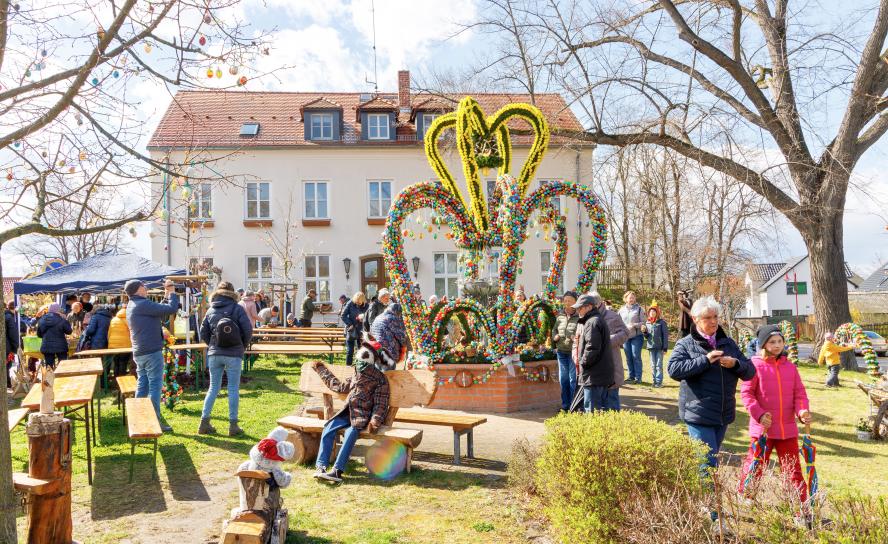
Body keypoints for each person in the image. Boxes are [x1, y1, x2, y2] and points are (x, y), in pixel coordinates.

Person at [667, 296, 755, 503]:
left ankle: (699, 498)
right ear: (696, 319)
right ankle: (711, 510)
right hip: (697, 413)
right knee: (707, 463)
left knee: (710, 459)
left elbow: (750, 371)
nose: (713, 321)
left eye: (716, 317)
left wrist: (735, 364)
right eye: (708, 317)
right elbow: (674, 370)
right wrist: (704, 360)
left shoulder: (728, 343)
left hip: (722, 414)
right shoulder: (686, 344)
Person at [738, 325, 811, 504]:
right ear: (763, 344)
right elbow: (746, 394)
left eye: (780, 341)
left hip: (787, 430)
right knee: (755, 465)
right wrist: (760, 414)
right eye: (772, 342)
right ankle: (745, 495)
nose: (777, 345)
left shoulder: (791, 368)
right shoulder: (753, 366)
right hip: (763, 429)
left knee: (792, 469)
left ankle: (799, 504)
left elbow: (799, 393)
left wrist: (802, 411)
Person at [312, 350, 390, 483]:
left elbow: (380, 404)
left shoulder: (380, 379)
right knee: (328, 427)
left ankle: (337, 471)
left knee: (351, 433)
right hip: (347, 412)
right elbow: (340, 387)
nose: (358, 365)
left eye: (361, 363)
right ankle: (321, 466)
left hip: (362, 416)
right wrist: (321, 370)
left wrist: (374, 421)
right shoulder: (357, 372)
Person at [198, 281, 253, 436]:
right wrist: (241, 346)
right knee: (233, 389)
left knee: (213, 388)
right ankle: (233, 426)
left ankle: (204, 422)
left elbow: (203, 332)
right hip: (234, 354)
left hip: (214, 353)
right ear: (232, 292)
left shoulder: (210, 310)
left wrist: (212, 345)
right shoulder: (237, 308)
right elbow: (248, 330)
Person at [126, 279, 180, 432]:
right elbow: (171, 308)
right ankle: (154, 420)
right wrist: (172, 292)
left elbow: (159, 311)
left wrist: (166, 294)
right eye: (144, 285)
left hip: (140, 351)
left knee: (143, 385)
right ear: (138, 289)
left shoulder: (134, 304)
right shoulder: (143, 304)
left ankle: (139, 419)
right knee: (155, 387)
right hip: (151, 351)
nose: (146, 287)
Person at [571, 293, 615, 412]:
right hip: (598, 374)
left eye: (580, 308)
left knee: (592, 411)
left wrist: (583, 363)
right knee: (599, 410)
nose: (578, 311)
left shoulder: (592, 322)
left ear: (589, 307)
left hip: (594, 375)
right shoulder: (596, 319)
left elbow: (592, 348)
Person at [592, 292, 630, 411]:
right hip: (594, 369)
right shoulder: (586, 317)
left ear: (597, 304)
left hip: (611, 365)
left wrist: (608, 341)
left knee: (611, 404)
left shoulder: (612, 316)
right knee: (595, 408)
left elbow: (625, 333)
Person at [552, 291, 579, 412]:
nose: (567, 303)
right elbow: (554, 330)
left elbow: (583, 332)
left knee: (573, 379)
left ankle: (574, 405)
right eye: (565, 300)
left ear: (575, 302)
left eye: (570, 300)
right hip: (561, 352)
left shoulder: (580, 316)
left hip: (573, 352)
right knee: (564, 379)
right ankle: (565, 405)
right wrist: (555, 337)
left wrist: (576, 337)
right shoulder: (560, 316)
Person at [369, 302, 409, 370]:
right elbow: (400, 335)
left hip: (377, 349)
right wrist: (405, 344)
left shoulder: (378, 317)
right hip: (389, 351)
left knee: (378, 371)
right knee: (389, 374)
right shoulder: (392, 318)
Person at [619, 291, 645, 384]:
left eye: (633, 297)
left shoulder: (639, 309)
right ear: (625, 299)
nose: (631, 299)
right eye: (630, 297)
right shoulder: (621, 310)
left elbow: (643, 323)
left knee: (635, 356)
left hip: (637, 336)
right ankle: (631, 376)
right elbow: (618, 322)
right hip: (625, 337)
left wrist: (634, 325)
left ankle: (638, 378)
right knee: (628, 357)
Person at [37, 303, 72, 368]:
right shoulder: (62, 319)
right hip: (61, 346)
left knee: (49, 367)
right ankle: (62, 378)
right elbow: (69, 331)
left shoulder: (41, 320)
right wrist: (66, 320)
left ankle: (49, 378)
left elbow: (39, 334)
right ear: (58, 310)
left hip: (47, 345)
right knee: (63, 367)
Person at [643, 304, 669, 388]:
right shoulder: (647, 322)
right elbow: (647, 337)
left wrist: (665, 348)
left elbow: (665, 336)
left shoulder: (662, 322)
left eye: (654, 311)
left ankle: (659, 382)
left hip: (660, 347)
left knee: (658, 365)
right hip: (651, 347)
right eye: (650, 311)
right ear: (649, 313)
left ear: (657, 313)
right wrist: (644, 332)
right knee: (653, 365)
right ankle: (654, 382)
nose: (652, 313)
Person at [341, 292, 369, 365]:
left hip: (361, 329)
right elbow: (343, 315)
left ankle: (360, 366)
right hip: (351, 329)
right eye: (357, 302)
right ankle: (348, 366)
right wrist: (350, 324)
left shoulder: (366, 305)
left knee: (361, 350)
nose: (359, 304)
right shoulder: (350, 303)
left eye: (360, 303)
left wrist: (363, 318)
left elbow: (369, 316)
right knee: (350, 351)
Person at [5, 301, 20, 377]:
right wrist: (16, 347)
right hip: (7, 347)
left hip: (6, 346)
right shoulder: (9, 317)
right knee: (7, 366)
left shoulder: (6, 316)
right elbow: (13, 334)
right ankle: (7, 383)